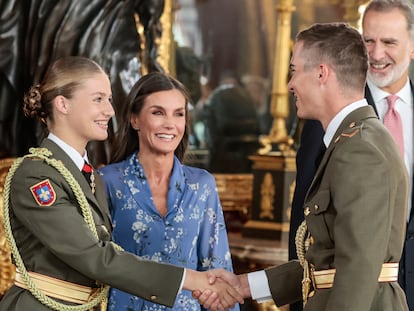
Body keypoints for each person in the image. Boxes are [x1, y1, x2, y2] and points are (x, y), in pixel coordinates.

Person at [0, 56, 243, 311]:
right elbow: (94, 257)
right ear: (63, 104)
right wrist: (192, 279)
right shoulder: (37, 174)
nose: (110, 111)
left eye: (109, 99)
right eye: (98, 99)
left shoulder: (86, 175)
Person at [196, 22, 410, 310]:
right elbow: (326, 263)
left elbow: (357, 274)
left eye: (295, 70)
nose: (290, 84)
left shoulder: (360, 150)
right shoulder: (351, 140)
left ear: (322, 73)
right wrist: (243, 285)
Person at [288, 1, 414, 310]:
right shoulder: (323, 119)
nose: (375, 53)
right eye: (367, 41)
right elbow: (308, 227)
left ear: (412, 46)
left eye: (389, 42)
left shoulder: (357, 137)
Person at [98, 71, 240, 311]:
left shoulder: (202, 185)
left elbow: (217, 271)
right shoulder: (107, 182)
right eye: (158, 112)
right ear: (135, 120)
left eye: (179, 114)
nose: (170, 124)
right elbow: (96, 263)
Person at [203, 70, 261, 173]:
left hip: (220, 165)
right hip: (250, 165)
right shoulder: (245, 97)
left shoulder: (215, 98)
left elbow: (211, 137)